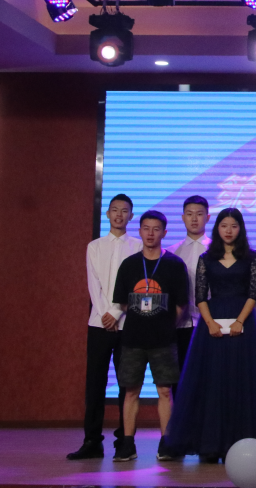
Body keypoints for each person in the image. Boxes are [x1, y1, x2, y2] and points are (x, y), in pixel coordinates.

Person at [164, 208, 256, 463]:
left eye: (234, 226)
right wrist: (209, 323)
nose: (228, 230)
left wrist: (240, 320)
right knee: (212, 381)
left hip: (242, 325)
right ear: (217, 228)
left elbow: (253, 293)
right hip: (211, 325)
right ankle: (210, 444)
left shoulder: (251, 257)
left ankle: (238, 443)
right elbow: (200, 295)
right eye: (224, 225)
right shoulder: (206, 258)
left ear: (240, 229)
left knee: (241, 381)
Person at [108, 210, 189, 462]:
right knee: (130, 391)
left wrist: (163, 324)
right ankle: (127, 444)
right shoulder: (129, 264)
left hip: (164, 340)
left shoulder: (175, 264)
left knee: (165, 391)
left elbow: (181, 305)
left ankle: (167, 443)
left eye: (156, 229)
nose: (151, 233)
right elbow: (122, 302)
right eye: (146, 228)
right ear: (140, 231)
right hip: (132, 339)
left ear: (164, 232)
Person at [69, 194, 143, 460]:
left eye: (124, 211)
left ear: (131, 216)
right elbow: (94, 285)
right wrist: (105, 314)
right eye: (115, 210)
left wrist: (116, 312)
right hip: (98, 324)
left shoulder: (138, 246)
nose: (119, 215)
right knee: (95, 383)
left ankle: (124, 439)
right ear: (108, 214)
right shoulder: (94, 246)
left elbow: (137, 286)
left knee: (127, 384)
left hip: (127, 324)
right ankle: (92, 441)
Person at [166, 195, 212, 372]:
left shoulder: (217, 251)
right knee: (179, 374)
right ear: (183, 217)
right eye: (189, 214)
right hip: (180, 323)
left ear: (207, 217)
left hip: (210, 323)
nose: (194, 219)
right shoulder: (171, 252)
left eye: (199, 214)